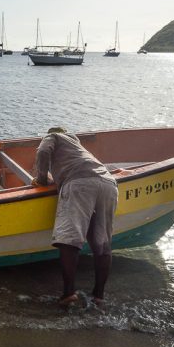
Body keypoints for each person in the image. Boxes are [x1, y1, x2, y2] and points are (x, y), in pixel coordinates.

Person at [32, 127, 118, 307]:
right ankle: (99, 296)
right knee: (102, 243)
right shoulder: (78, 147)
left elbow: (43, 151)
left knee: (69, 241)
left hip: (79, 184)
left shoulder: (53, 136)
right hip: (109, 184)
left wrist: (41, 178)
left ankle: (68, 294)